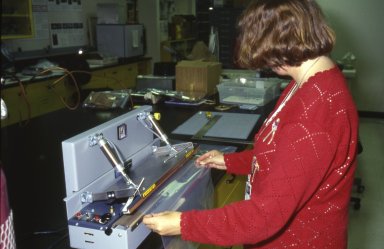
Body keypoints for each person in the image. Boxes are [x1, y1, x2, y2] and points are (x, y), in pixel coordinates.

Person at [143, 0, 359, 248]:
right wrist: (229, 161)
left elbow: (263, 218)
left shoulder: (315, 111)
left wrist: (183, 224)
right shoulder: (306, 83)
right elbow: (283, 157)